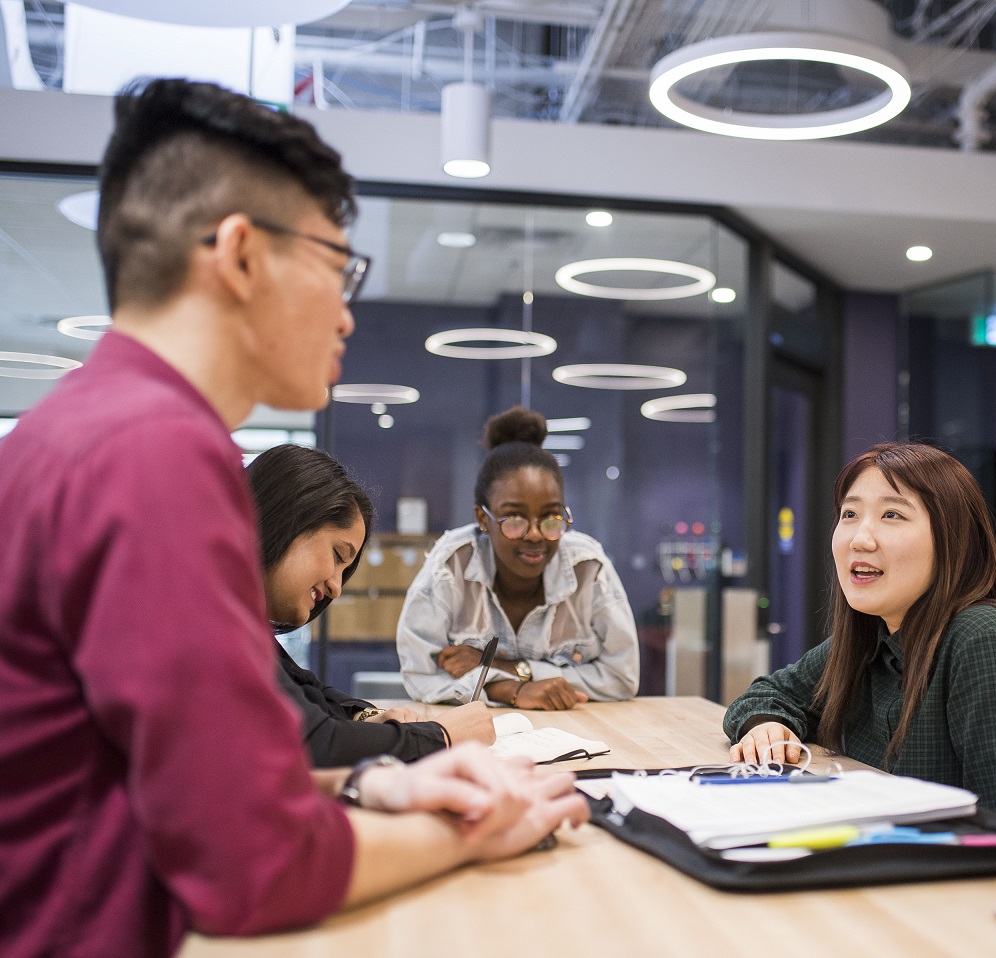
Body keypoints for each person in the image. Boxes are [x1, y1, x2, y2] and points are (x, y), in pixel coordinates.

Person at [0, 78, 585, 958]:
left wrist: (369, 789)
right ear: (239, 255)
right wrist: (477, 826)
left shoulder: (77, 426)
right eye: (334, 265)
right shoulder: (153, 452)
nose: (348, 311)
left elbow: (185, 785)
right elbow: (253, 866)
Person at [723, 442, 996, 812]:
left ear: (952, 541)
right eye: (849, 514)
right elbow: (766, 693)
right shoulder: (872, 641)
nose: (860, 538)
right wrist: (765, 725)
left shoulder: (984, 639)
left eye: (892, 515)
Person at [248, 443, 497, 765]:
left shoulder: (239, 619)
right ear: (283, 522)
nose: (336, 588)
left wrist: (364, 716)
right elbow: (315, 742)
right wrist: (442, 736)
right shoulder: (210, 621)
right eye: (338, 556)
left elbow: (304, 687)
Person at [398, 407, 639, 710]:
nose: (536, 534)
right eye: (514, 518)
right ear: (482, 519)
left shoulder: (588, 568)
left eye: (551, 517)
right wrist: (507, 689)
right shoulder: (450, 566)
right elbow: (420, 674)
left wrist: (511, 669)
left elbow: (622, 677)